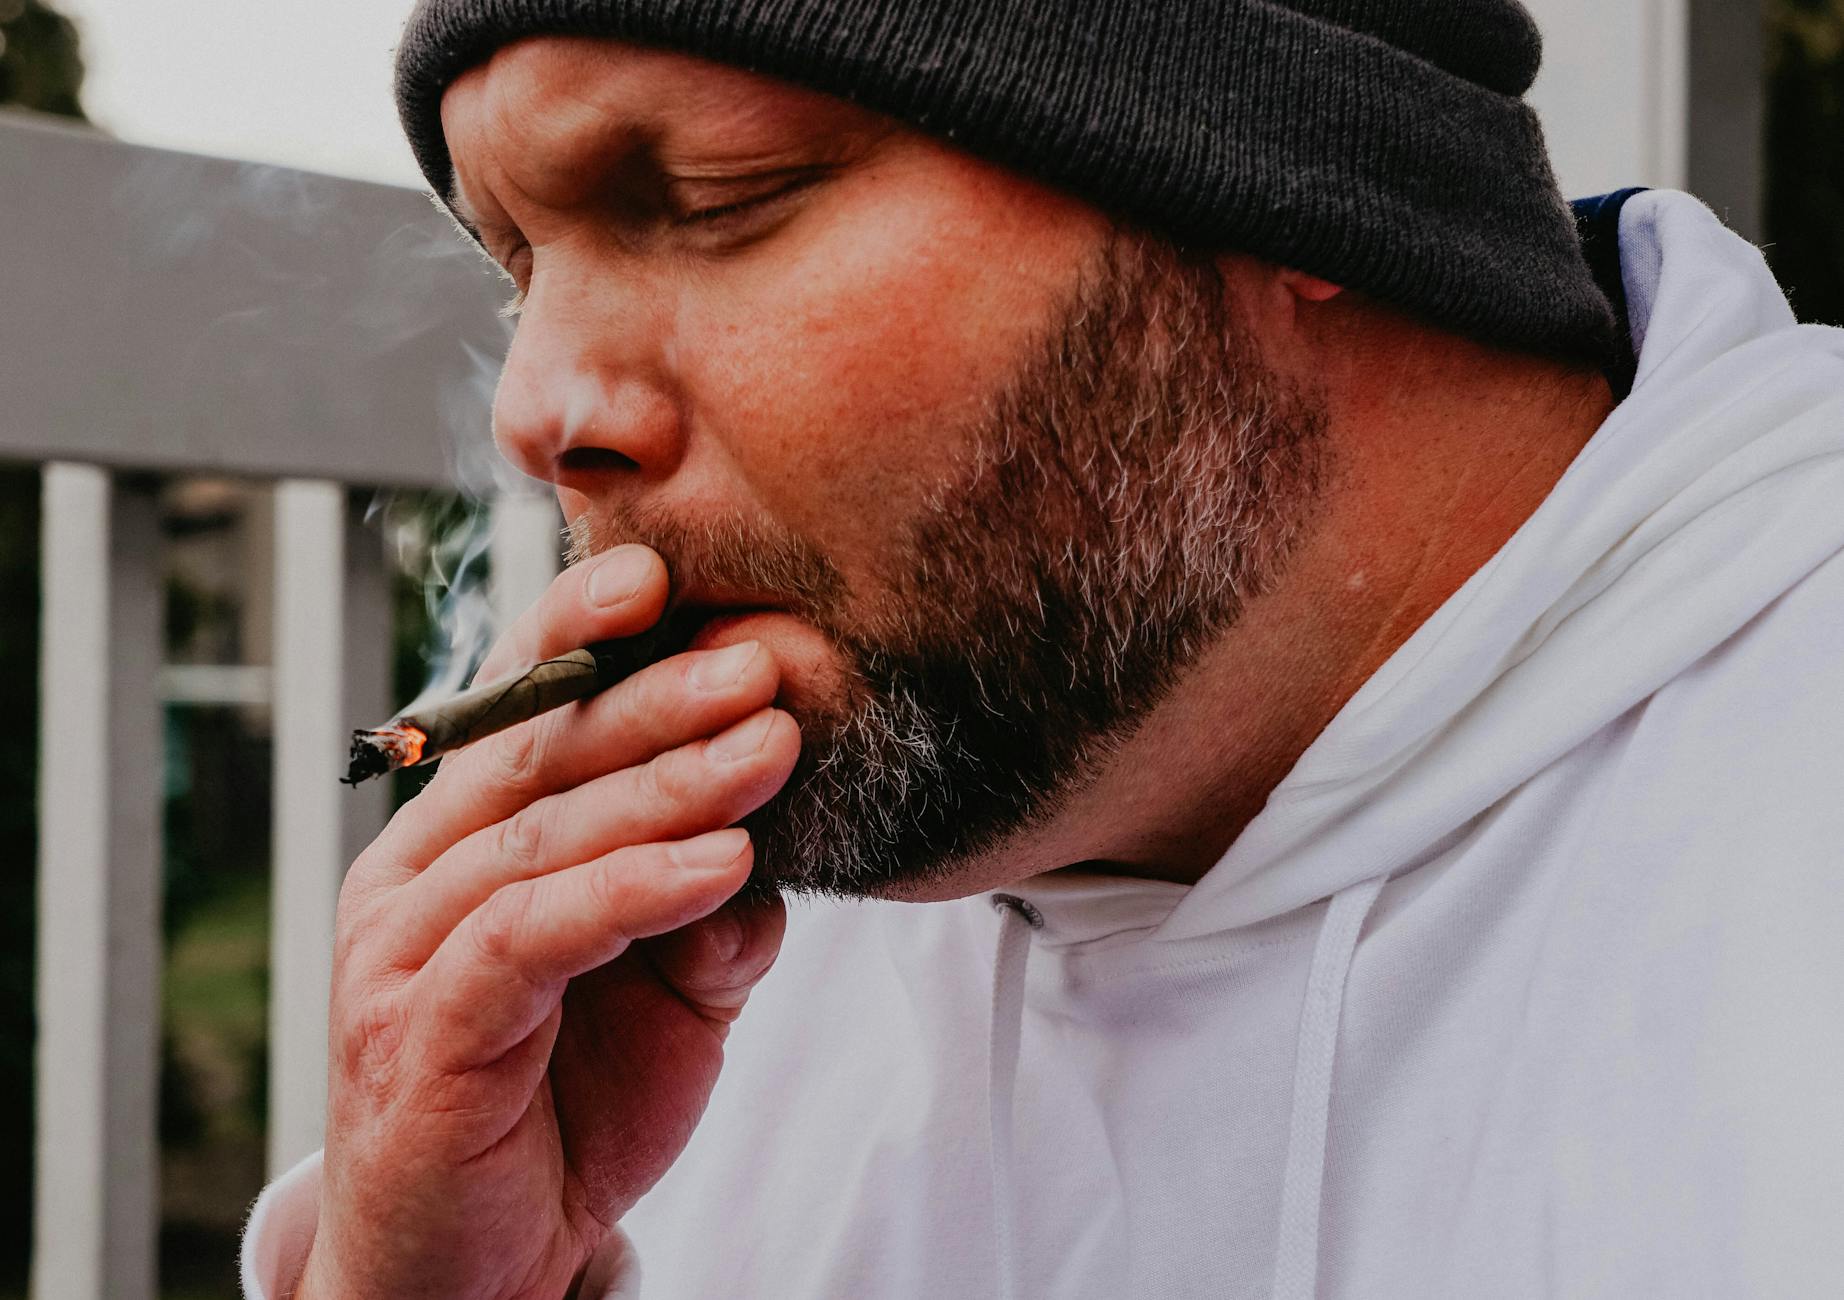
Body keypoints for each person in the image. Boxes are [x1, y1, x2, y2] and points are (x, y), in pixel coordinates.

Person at [244, 2, 1844, 1297]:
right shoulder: (671, 987)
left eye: (719, 196)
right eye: (519, 263)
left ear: (1288, 163)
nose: (539, 413)